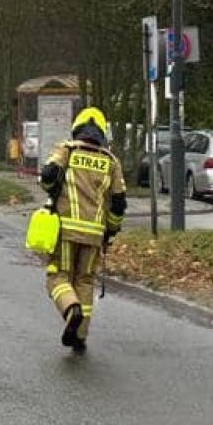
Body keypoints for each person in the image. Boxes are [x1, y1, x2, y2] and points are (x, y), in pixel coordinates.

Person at [39, 106, 127, 354]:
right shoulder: (111, 161)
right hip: (94, 234)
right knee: (85, 280)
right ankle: (79, 336)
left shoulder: (66, 149)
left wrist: (51, 185)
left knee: (58, 276)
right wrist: (111, 231)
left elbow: (48, 176)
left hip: (65, 229)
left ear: (77, 129)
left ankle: (70, 309)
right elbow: (118, 203)